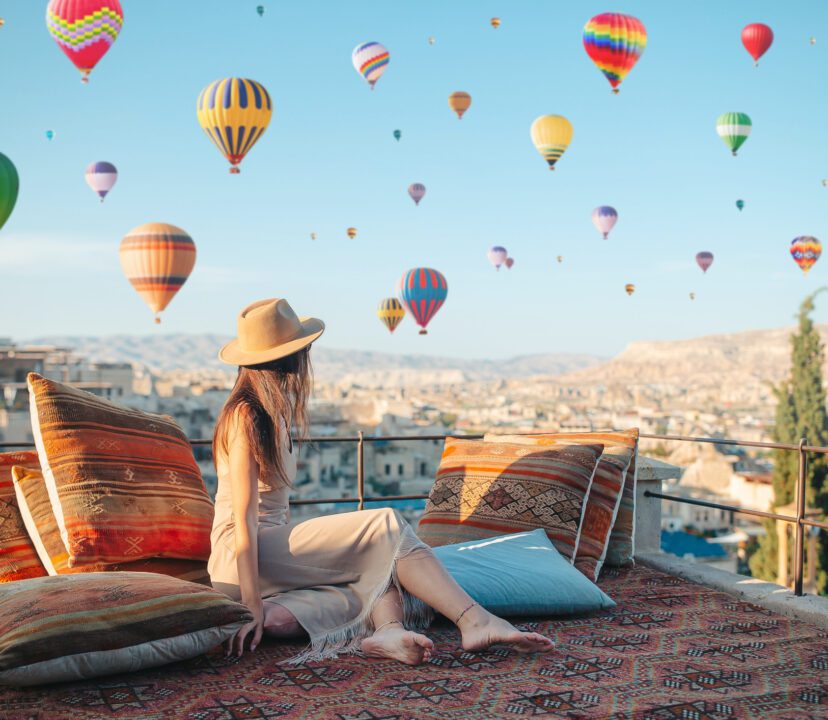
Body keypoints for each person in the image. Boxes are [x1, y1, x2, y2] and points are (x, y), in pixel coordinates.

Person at [208, 298, 554, 665]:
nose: (308, 354)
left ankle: (387, 632)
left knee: (369, 569)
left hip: (272, 554)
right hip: (242, 557)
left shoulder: (271, 413)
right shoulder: (245, 415)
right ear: (288, 355)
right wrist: (251, 606)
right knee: (385, 524)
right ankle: (474, 619)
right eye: (303, 347)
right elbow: (243, 522)